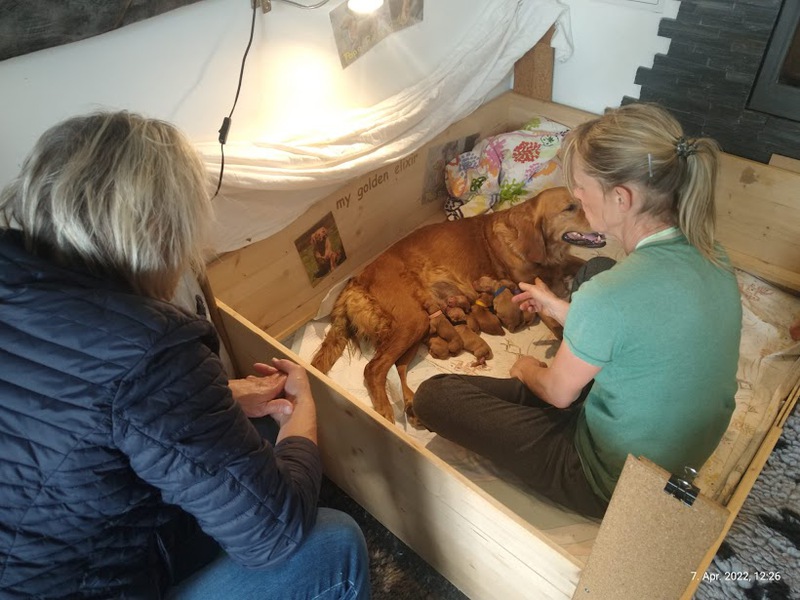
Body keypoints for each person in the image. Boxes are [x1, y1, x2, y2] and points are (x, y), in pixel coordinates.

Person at [0, 111, 370, 599]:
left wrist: (222, 395)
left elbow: (74, 408)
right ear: (161, 233)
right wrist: (303, 416)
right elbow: (276, 536)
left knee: (255, 433)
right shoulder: (149, 347)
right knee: (335, 546)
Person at [413, 103, 742, 519]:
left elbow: (557, 393)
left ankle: (560, 408)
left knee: (435, 396)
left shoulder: (609, 297)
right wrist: (565, 309)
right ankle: (571, 372)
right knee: (597, 266)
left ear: (621, 198)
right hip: (677, 447)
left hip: (610, 480)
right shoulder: (713, 253)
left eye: (581, 189)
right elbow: (640, 324)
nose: (578, 198)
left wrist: (526, 369)